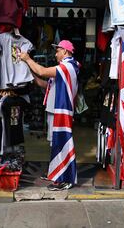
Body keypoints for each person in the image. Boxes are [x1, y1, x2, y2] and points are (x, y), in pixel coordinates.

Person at [20, 40, 80, 191]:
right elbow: (44, 83)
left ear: (65, 52)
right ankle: (56, 174)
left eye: (58, 51)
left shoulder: (67, 66)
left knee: (63, 144)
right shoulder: (64, 68)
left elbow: (43, 71)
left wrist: (28, 59)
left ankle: (65, 179)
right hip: (55, 110)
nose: (56, 54)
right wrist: (29, 70)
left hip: (62, 111)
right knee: (56, 144)